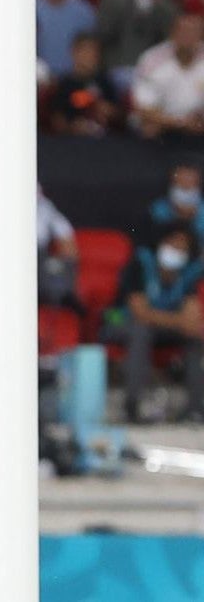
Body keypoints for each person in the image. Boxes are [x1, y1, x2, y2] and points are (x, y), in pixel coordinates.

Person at [113, 225, 204, 423]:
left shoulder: (188, 273)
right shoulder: (141, 263)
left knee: (195, 338)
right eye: (172, 245)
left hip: (162, 326)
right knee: (140, 331)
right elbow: (139, 312)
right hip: (119, 320)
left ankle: (196, 409)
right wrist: (180, 321)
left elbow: (191, 315)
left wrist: (188, 323)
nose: (176, 252)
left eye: (182, 249)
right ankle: (133, 405)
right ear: (161, 244)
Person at [131, 13, 204, 144]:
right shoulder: (152, 60)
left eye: (194, 32)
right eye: (184, 32)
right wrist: (179, 123)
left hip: (197, 128)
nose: (188, 37)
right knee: (149, 128)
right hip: (162, 127)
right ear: (173, 34)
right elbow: (143, 109)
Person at [47, 33, 118, 137]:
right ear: (74, 53)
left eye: (95, 52)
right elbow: (56, 121)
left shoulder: (105, 82)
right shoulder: (64, 85)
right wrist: (72, 127)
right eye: (86, 51)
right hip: (71, 143)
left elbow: (119, 115)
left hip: (104, 142)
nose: (91, 56)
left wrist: (109, 112)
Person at [150, 162, 204, 241]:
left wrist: (195, 216)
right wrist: (174, 212)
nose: (185, 182)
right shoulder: (158, 207)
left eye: (190, 177)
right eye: (181, 176)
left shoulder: (202, 209)